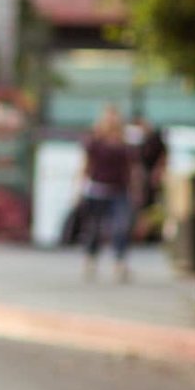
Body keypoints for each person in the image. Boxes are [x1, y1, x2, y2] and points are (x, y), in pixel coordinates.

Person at [78, 104, 134, 282]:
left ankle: (119, 262)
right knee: (94, 228)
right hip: (97, 189)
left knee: (120, 226)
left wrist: (134, 189)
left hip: (119, 189)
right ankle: (91, 258)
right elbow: (85, 165)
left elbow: (132, 168)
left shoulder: (125, 142)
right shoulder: (94, 141)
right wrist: (79, 187)